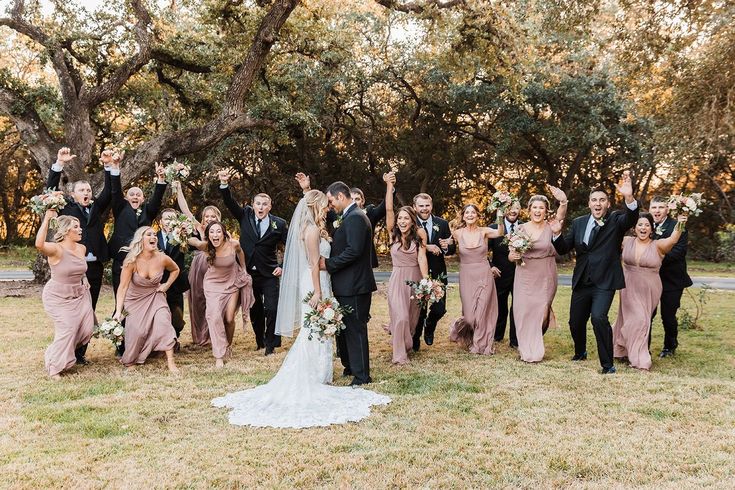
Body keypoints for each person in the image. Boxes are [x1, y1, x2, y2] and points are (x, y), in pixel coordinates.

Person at [211, 190, 390, 428]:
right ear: (317, 207)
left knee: (319, 327)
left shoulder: (313, 228)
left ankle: (322, 372)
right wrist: (317, 292)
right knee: (315, 328)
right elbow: (314, 265)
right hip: (316, 283)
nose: (328, 208)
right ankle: (315, 374)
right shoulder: (312, 230)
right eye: (325, 205)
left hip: (322, 282)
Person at [551, 171, 639, 374]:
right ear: (589, 203)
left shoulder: (616, 220)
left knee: (599, 317)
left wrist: (629, 197)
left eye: (602, 200)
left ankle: (607, 365)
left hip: (605, 280)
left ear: (608, 203)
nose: (598, 204)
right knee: (575, 321)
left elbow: (631, 218)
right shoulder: (579, 222)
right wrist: (556, 234)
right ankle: (580, 352)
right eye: (594, 200)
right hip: (582, 279)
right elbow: (564, 249)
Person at [45, 147, 115, 365]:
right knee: (72, 314)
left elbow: (110, 192)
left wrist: (108, 167)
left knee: (88, 310)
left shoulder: (96, 208)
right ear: (73, 194)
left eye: (88, 190)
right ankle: (67, 350)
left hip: (94, 268)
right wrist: (59, 164)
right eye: (82, 190)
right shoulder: (66, 208)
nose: (86, 193)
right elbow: (49, 191)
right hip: (72, 269)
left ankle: (80, 352)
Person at [218, 170, 287, 355]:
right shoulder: (245, 216)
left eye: (265, 204)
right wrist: (225, 184)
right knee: (255, 310)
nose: (261, 207)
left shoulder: (279, 224)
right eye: (258, 203)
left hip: (270, 273)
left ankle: (271, 345)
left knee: (272, 308)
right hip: (247, 273)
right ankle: (260, 341)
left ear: (270, 206)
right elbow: (230, 203)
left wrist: (282, 266)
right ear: (253, 205)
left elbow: (290, 247)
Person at [318, 181, 378, 386]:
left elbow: (354, 251)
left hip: (355, 285)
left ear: (341, 197)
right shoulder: (351, 216)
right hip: (349, 284)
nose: (331, 204)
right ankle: (353, 367)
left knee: (355, 329)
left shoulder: (355, 218)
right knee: (349, 329)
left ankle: (362, 376)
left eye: (332, 200)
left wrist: (328, 264)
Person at [613, 213, 688, 370]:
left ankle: (640, 359)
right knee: (628, 319)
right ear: (634, 228)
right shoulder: (626, 241)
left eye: (647, 225)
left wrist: (680, 224)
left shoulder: (658, 245)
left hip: (649, 288)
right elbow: (609, 237)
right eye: (640, 224)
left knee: (641, 320)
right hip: (628, 286)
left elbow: (673, 239)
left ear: (652, 229)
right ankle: (625, 351)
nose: (643, 228)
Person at [509, 187, 568, 363]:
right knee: (523, 311)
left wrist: (563, 201)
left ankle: (535, 338)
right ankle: (526, 347)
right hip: (525, 273)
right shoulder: (520, 228)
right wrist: (513, 256)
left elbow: (561, 215)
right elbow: (511, 253)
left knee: (542, 313)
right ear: (529, 210)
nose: (537, 211)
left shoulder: (551, 226)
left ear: (546, 211)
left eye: (541, 208)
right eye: (534, 207)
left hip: (546, 274)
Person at [36, 212, 94, 379]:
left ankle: (60, 351)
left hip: (79, 294)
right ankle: (54, 365)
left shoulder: (82, 248)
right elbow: (39, 244)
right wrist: (47, 219)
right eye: (76, 227)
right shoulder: (56, 249)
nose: (80, 229)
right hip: (57, 296)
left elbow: (78, 268)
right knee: (68, 328)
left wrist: (84, 278)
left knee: (87, 328)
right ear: (66, 231)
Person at [112, 227, 179, 373]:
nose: (153, 237)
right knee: (138, 331)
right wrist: (118, 311)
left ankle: (171, 362)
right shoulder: (132, 261)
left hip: (155, 295)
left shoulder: (162, 258)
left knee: (164, 322)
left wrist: (166, 285)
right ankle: (130, 360)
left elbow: (176, 269)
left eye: (155, 235)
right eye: (149, 234)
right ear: (140, 239)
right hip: (135, 299)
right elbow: (122, 287)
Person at [295, 172, 396, 268]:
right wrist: (307, 190)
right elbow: (317, 208)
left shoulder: (368, 214)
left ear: (363, 200)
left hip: (361, 265)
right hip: (343, 267)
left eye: (357, 199)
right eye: (352, 199)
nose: (355, 202)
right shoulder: (338, 215)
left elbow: (386, 207)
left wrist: (390, 187)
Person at [189, 222, 255, 368]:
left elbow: (240, 252)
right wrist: (194, 239)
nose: (215, 235)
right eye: (212, 232)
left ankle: (228, 346)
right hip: (213, 284)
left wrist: (243, 268)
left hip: (232, 282)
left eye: (218, 231)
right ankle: (219, 355)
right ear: (208, 235)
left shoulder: (233, 244)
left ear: (224, 233)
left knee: (229, 319)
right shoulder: (206, 246)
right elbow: (192, 241)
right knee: (214, 316)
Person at [448, 205, 505, 354]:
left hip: (483, 274)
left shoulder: (484, 231)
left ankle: (480, 344)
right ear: (463, 216)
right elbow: (448, 247)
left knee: (481, 312)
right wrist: (446, 244)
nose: (470, 215)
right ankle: (458, 327)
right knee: (469, 317)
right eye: (467, 212)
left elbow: (500, 232)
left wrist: (500, 213)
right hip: (466, 275)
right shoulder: (457, 233)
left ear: (478, 215)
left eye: (473, 212)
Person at [384, 179, 429, 365]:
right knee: (400, 316)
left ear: (412, 221)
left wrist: (426, 282)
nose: (402, 221)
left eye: (406, 218)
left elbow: (422, 258)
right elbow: (388, 209)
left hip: (415, 279)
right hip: (397, 279)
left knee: (411, 319)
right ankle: (399, 355)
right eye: (400, 218)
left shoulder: (420, 234)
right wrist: (389, 186)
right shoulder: (392, 233)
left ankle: (405, 343)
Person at [172, 181, 221, 346]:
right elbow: (185, 209)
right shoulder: (199, 228)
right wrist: (179, 189)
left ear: (218, 218)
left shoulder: (221, 231)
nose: (209, 219)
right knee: (198, 301)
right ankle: (200, 337)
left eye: (212, 216)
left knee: (213, 301)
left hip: (216, 267)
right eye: (206, 216)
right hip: (199, 267)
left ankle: (213, 335)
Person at [649, 196, 694, 358]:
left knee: (667, 315)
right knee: (647, 314)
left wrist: (652, 257)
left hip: (672, 279)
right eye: (654, 207)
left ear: (667, 209)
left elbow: (678, 252)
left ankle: (669, 346)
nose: (657, 211)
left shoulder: (678, 226)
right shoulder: (645, 225)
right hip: (649, 280)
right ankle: (642, 345)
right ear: (649, 209)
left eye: (661, 207)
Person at [414, 193, 455, 351]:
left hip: (438, 272)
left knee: (440, 308)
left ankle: (430, 325)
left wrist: (447, 246)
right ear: (415, 207)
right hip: (418, 271)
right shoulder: (411, 223)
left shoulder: (442, 223)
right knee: (420, 309)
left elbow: (451, 249)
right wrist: (427, 247)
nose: (424, 209)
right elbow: (408, 244)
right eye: (421, 206)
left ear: (431, 206)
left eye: (427, 205)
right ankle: (415, 339)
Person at [489, 201, 521, 348]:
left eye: (516, 208)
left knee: (518, 307)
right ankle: (497, 335)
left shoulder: (524, 228)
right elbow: (482, 251)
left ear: (520, 210)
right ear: (503, 210)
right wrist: (491, 266)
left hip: (521, 274)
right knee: (500, 306)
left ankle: (515, 340)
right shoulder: (493, 228)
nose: (513, 211)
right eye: (509, 208)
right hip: (500, 274)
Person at [156, 208, 191, 346]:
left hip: (176, 284)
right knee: (160, 315)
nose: (169, 222)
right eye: (166, 219)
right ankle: (166, 343)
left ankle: (175, 336)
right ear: (160, 222)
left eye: (172, 219)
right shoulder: (153, 237)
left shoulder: (183, 236)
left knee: (177, 318)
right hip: (158, 283)